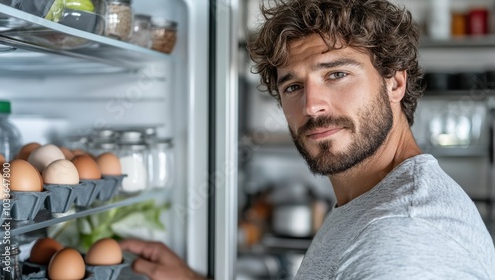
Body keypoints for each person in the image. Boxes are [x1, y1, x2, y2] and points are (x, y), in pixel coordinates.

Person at [121, 0, 495, 279]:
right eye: (294, 86)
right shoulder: (371, 201)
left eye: (336, 75)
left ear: (394, 82)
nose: (312, 105)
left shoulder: (403, 234)